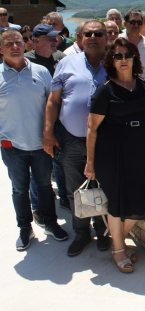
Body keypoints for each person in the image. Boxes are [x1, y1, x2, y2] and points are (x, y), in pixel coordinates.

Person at [84, 37, 145, 273]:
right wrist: (90, 162)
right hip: (112, 152)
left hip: (138, 148)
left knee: (140, 197)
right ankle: (119, 249)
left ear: (135, 59)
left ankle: (117, 241)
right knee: (116, 200)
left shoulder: (143, 86)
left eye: (128, 55)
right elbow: (92, 128)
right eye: (118, 56)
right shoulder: (105, 90)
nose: (123, 59)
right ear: (112, 60)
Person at [43, 20, 110, 257]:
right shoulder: (65, 63)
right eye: (88, 33)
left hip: (105, 141)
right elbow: (53, 101)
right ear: (80, 37)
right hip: (71, 139)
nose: (93, 37)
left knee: (103, 187)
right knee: (75, 190)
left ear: (106, 37)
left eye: (98, 33)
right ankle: (81, 233)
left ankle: (102, 230)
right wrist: (48, 132)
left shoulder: (114, 64)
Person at [0, 29, 69, 251]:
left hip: (42, 143)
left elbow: (54, 103)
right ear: (1, 49)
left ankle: (50, 223)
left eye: (18, 42)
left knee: (44, 186)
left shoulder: (40, 72)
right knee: (19, 189)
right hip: (12, 145)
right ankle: (25, 228)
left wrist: (51, 134)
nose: (14, 47)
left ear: (25, 45)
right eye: (9, 44)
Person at [25, 24, 70, 219]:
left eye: (56, 38)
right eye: (50, 38)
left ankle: (65, 198)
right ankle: (38, 207)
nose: (55, 41)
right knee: (40, 167)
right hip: (36, 123)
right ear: (36, 41)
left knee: (61, 163)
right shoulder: (26, 63)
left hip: (61, 121)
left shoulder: (61, 59)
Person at [119, 10, 145, 86]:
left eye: (139, 23)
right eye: (132, 22)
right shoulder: (118, 41)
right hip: (121, 89)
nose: (136, 25)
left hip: (143, 90)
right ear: (125, 24)